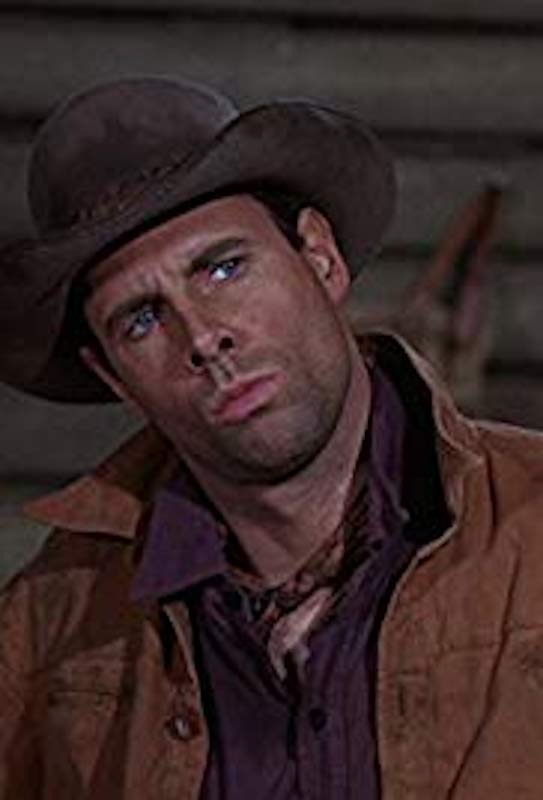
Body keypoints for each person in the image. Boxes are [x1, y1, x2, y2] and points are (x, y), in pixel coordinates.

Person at [0, 75, 542, 800]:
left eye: (223, 268)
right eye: (141, 319)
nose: (202, 337)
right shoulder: (52, 621)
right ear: (113, 375)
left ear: (319, 257)